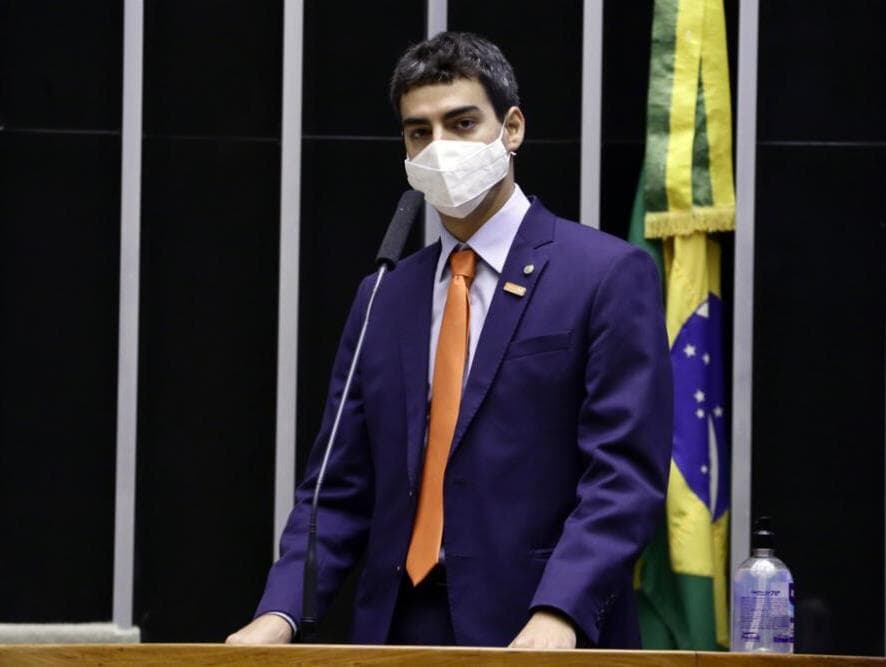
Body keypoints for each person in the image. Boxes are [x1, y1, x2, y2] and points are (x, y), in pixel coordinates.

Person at [227, 31, 671, 649]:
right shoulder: (384, 294)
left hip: (539, 628)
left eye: (462, 123)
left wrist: (561, 612)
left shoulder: (605, 275)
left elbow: (622, 476)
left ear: (511, 129)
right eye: (419, 132)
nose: (440, 148)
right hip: (396, 628)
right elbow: (336, 486)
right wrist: (279, 614)